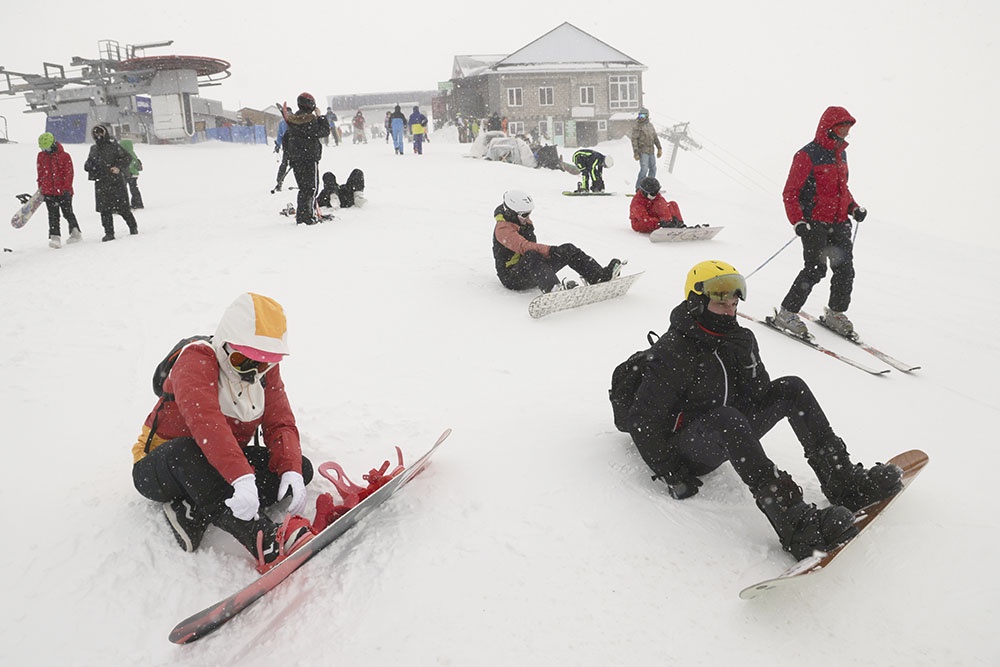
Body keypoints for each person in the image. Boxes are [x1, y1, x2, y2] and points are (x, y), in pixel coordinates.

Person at [625, 260, 902, 559]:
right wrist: (673, 472)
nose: (730, 310)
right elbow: (642, 420)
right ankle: (794, 523)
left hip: (728, 433)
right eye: (722, 304)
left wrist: (745, 356)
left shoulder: (738, 338)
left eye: (733, 303)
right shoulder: (675, 350)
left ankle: (842, 480)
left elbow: (758, 395)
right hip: (687, 450)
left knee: (791, 388)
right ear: (696, 303)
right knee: (726, 419)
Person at [130, 293, 315, 571]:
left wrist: (290, 467)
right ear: (226, 344)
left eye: (263, 363)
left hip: (218, 463)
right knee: (186, 453)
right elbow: (207, 423)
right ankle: (259, 535)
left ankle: (193, 510)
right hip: (161, 467)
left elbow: (280, 422)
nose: (253, 372)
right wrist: (241, 478)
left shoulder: (265, 372)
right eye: (243, 361)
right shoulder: (195, 359)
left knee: (300, 468)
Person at [773, 106, 867, 338]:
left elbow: (840, 190)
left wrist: (853, 208)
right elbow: (790, 193)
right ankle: (786, 313)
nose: (846, 132)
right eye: (842, 127)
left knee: (845, 270)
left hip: (840, 222)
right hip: (814, 223)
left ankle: (835, 313)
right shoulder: (807, 155)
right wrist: (798, 222)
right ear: (830, 128)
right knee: (815, 269)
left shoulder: (840, 154)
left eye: (848, 128)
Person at [492, 189, 623, 294]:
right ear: (511, 212)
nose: (528, 217)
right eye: (525, 215)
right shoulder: (503, 229)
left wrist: (556, 253)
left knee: (568, 249)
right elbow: (524, 247)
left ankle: (598, 277)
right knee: (532, 255)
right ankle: (553, 288)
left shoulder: (521, 221)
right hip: (513, 277)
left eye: (529, 213)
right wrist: (550, 251)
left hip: (530, 270)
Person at [83, 124, 139, 241]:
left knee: (123, 208)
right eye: (95, 133)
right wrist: (92, 167)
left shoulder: (113, 146)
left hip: (115, 181)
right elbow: (88, 164)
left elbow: (127, 158)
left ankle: (133, 227)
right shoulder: (94, 149)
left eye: (100, 132)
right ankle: (109, 233)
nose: (98, 135)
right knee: (105, 210)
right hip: (101, 182)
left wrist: (118, 167)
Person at [282, 92, 331, 225]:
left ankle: (302, 216)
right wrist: (320, 116)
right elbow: (325, 131)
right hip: (309, 159)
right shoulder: (310, 120)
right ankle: (308, 216)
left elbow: (285, 140)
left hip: (297, 160)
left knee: (303, 188)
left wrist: (290, 156)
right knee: (311, 188)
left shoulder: (292, 121)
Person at [36, 132, 82, 248]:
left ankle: (75, 233)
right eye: (42, 148)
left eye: (46, 148)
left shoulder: (65, 156)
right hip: (48, 191)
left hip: (63, 191)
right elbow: (40, 173)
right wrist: (41, 189)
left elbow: (69, 173)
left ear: (53, 144)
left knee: (67, 212)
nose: (45, 150)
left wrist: (66, 189)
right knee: (52, 215)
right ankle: (55, 237)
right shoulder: (41, 156)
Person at [630, 108, 663, 192]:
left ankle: (650, 187)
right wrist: (636, 152)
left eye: (643, 115)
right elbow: (634, 140)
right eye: (640, 115)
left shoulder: (650, 126)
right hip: (643, 151)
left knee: (653, 168)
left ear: (647, 116)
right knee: (644, 169)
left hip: (651, 151)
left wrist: (659, 148)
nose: (641, 117)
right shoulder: (637, 126)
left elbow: (655, 137)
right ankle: (639, 187)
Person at [118, 139, 144, 209]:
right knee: (134, 188)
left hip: (128, 174)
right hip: (134, 174)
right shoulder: (132, 153)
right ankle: (137, 203)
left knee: (123, 189)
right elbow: (136, 163)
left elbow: (126, 164)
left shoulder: (124, 154)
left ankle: (124, 204)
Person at [272, 115, 290, 193]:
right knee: (285, 164)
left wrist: (278, 145)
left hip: (289, 146)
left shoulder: (283, 122)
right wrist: (278, 145)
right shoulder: (284, 123)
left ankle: (279, 182)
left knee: (284, 164)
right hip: (290, 147)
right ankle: (279, 182)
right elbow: (280, 135)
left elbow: (280, 135)